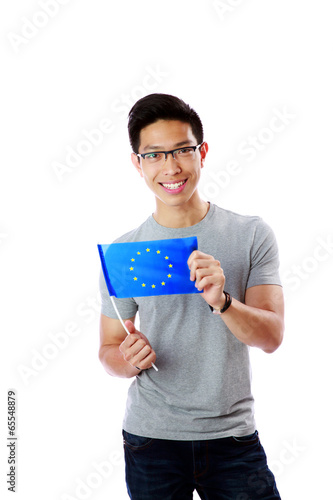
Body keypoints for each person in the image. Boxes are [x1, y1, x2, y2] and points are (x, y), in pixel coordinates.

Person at [98, 93, 284, 499]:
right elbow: (108, 350)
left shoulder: (250, 234)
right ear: (137, 163)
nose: (171, 167)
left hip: (233, 439)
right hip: (151, 441)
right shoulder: (124, 253)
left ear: (202, 152)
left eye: (182, 150)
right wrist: (126, 360)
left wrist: (224, 301)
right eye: (155, 155)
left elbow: (271, 337)